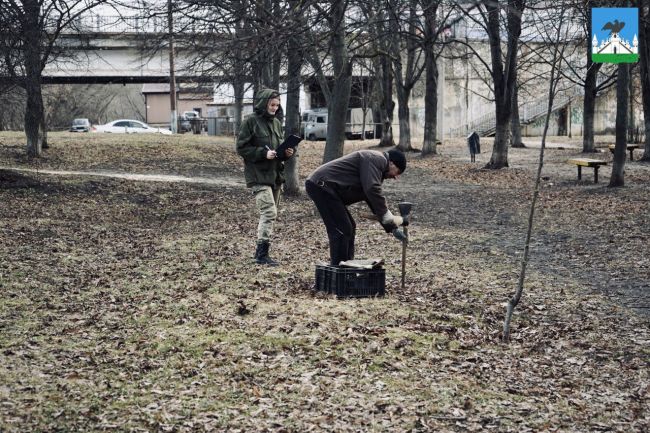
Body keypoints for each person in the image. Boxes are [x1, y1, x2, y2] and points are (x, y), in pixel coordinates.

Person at [305, 149, 408, 266]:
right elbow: (372, 189)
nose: (395, 177)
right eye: (397, 172)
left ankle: (347, 266)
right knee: (342, 229)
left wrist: (392, 227)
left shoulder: (375, 169)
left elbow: (371, 199)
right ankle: (339, 272)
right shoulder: (375, 158)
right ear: (392, 163)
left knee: (349, 227)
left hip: (328, 189)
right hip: (321, 185)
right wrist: (387, 216)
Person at [236, 88, 295, 266]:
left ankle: (262, 253)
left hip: (275, 175)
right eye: (272, 104)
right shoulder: (250, 122)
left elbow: (278, 150)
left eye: (277, 105)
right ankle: (261, 254)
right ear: (263, 103)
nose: (275, 108)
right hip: (258, 175)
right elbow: (241, 148)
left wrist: (287, 153)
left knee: (272, 213)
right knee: (269, 212)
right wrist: (262, 153)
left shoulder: (276, 123)